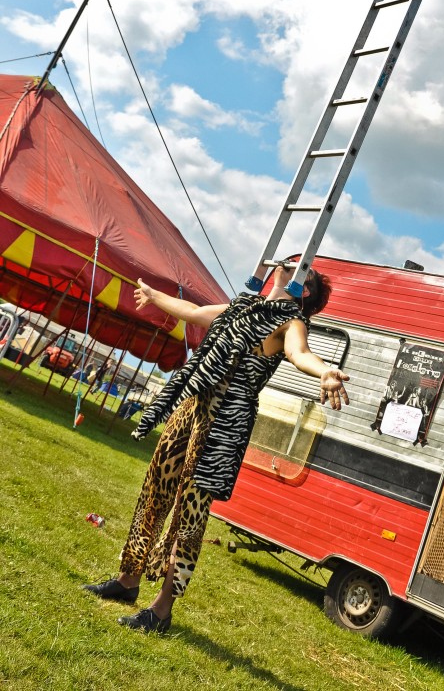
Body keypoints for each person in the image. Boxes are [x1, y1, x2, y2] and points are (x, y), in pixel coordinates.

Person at [83, 263, 349, 634]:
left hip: (224, 425)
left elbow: (299, 353)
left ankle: (161, 610)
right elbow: (194, 313)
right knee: (154, 491)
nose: (286, 266)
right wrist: (156, 297)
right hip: (192, 405)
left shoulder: (290, 323)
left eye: (297, 268)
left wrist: (324, 371)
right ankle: (127, 581)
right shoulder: (241, 309)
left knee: (189, 516)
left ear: (303, 291)